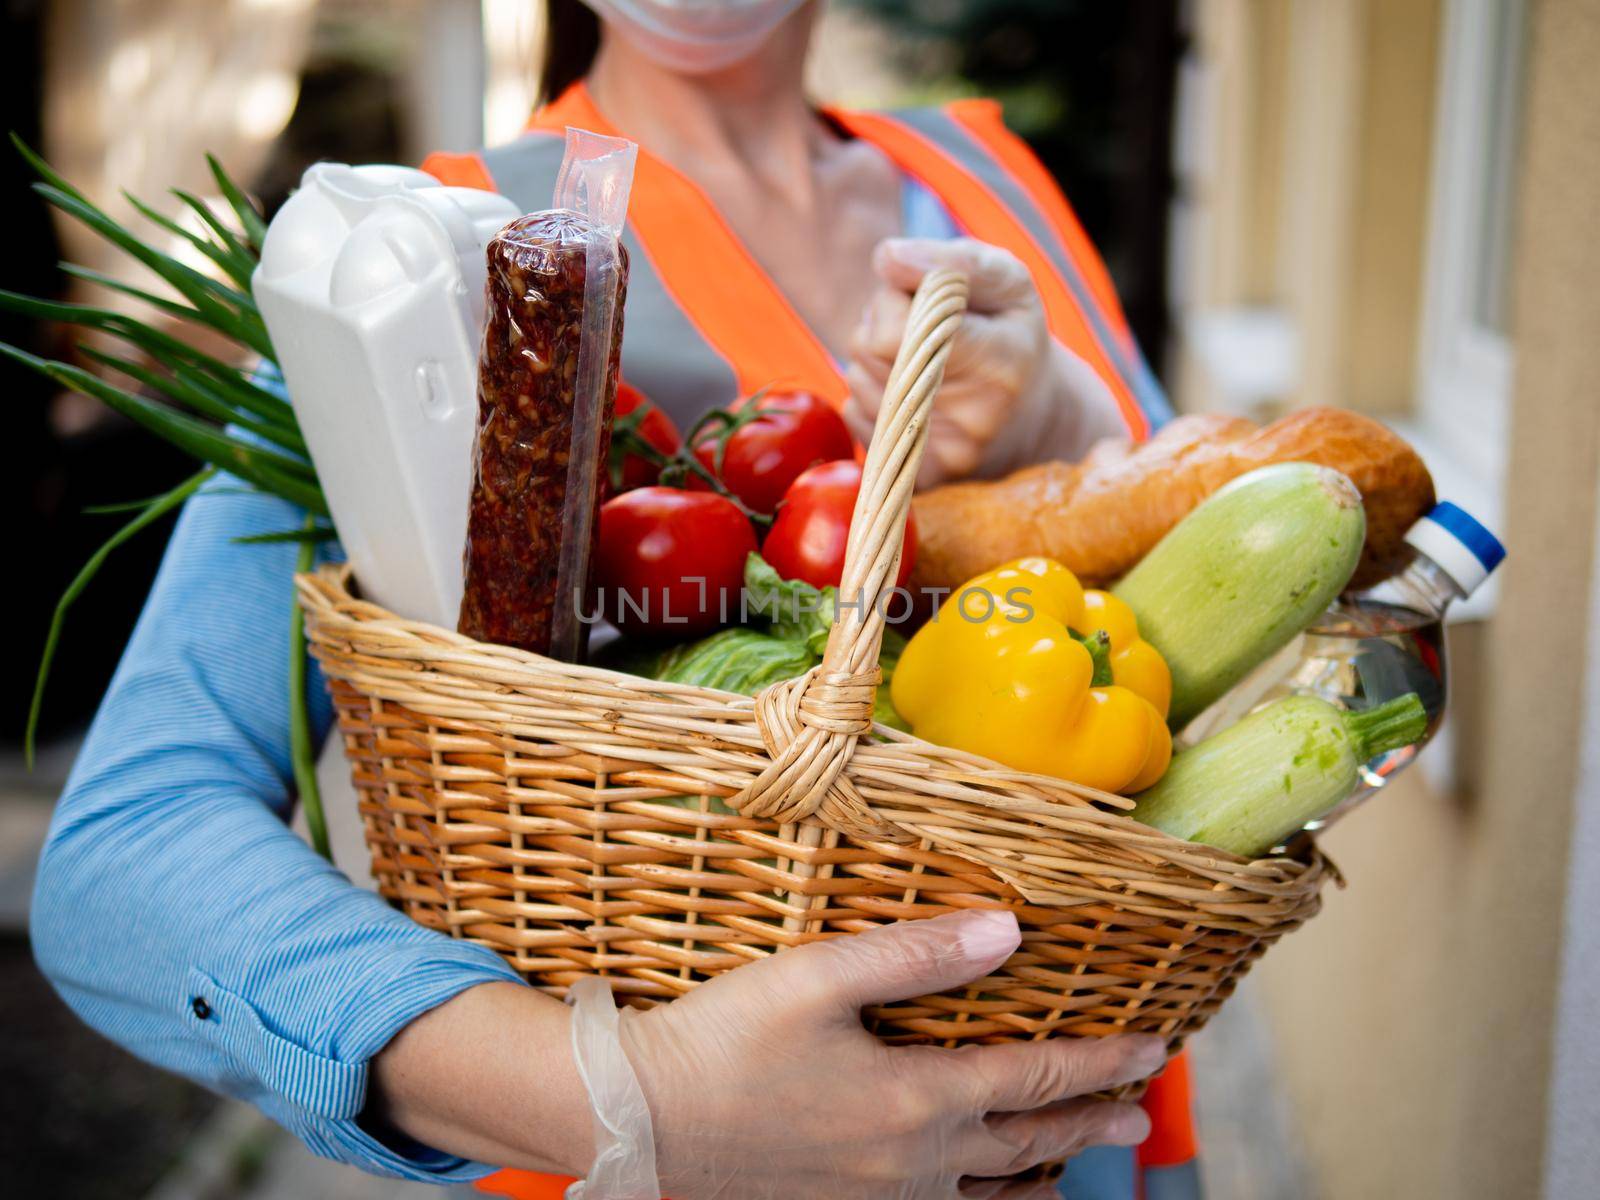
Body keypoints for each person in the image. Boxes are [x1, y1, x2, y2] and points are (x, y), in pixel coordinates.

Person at [30, 2, 1193, 1198]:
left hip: (1101, 1148)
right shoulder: (433, 261)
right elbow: (125, 853)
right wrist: (621, 1100)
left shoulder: (982, 183)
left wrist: (1071, 427)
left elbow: (1303, 580)